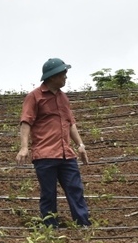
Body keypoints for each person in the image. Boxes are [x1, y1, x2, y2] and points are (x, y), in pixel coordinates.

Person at [15, 58, 90, 227]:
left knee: (75, 189)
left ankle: (83, 223)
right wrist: (24, 147)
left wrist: (80, 145)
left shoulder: (64, 98)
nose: (65, 77)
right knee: (48, 193)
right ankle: (51, 227)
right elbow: (26, 122)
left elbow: (70, 123)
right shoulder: (34, 97)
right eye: (63, 74)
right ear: (52, 77)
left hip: (66, 153)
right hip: (45, 154)